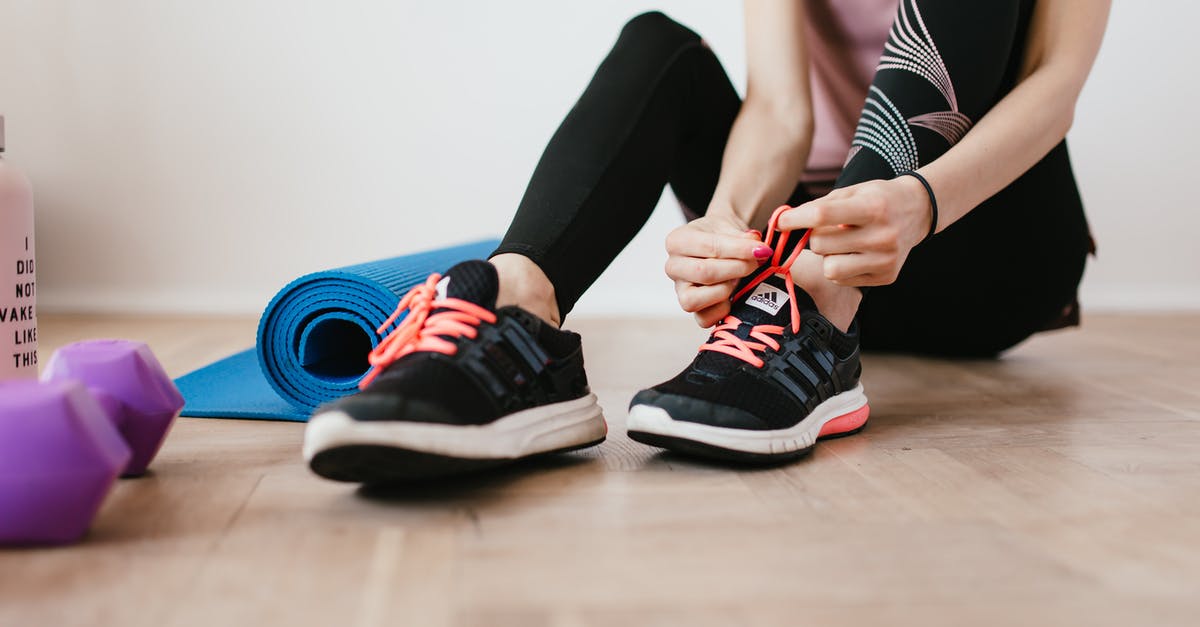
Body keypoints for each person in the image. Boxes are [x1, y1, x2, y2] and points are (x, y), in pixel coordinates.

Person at [301, 0, 1110, 482]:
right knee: (659, 46)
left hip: (976, 235)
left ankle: (816, 307)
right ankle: (518, 318)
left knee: (858, 237)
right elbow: (780, 109)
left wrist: (922, 202)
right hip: (796, 252)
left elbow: (1056, 85)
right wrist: (728, 218)